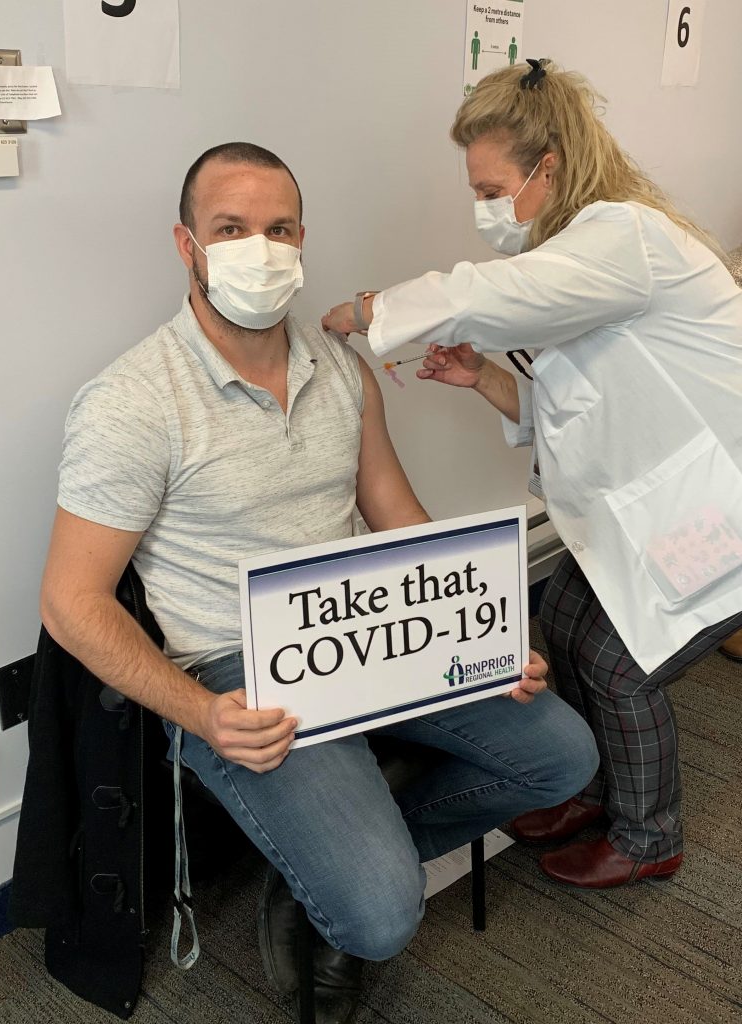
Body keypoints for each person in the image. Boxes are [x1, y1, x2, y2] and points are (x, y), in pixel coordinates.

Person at [39, 141, 598, 1022]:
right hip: (236, 671)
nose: (258, 249)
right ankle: (347, 882)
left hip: (369, 628)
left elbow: (398, 519)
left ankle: (326, 873)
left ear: (302, 242)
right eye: (231, 228)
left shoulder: (341, 368)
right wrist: (200, 715)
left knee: (566, 756)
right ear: (187, 245)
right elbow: (71, 604)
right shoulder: (131, 403)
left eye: (278, 229)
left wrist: (484, 633)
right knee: (381, 919)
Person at [322, 60, 742, 890]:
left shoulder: (626, 238)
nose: (483, 208)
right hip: (652, 498)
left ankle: (650, 837)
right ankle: (592, 790)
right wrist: (481, 379)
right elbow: (575, 402)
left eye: (490, 188)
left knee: (620, 666)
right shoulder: (584, 251)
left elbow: (491, 293)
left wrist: (369, 312)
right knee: (568, 618)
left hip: (717, 504)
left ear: (547, 167)